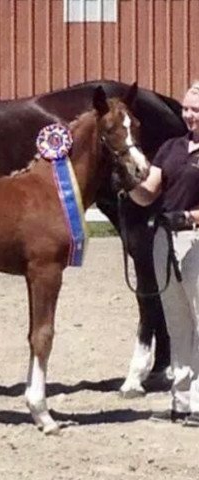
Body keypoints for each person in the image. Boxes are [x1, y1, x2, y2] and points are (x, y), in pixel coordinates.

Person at [129, 80, 199, 427]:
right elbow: (150, 189)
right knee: (177, 323)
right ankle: (181, 400)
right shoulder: (171, 148)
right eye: (186, 109)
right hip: (165, 241)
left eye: (196, 110)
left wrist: (189, 215)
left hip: (195, 241)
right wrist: (130, 187)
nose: (189, 115)